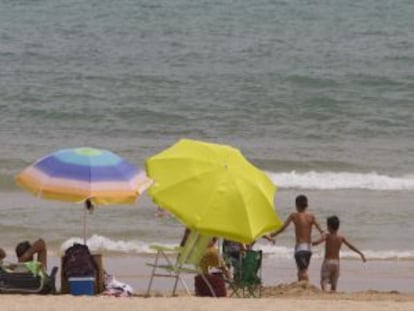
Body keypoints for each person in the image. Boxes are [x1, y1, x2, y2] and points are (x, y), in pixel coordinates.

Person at [270, 194, 324, 282]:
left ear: (296, 205)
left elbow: (283, 228)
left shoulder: (294, 216)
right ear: (306, 205)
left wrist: (272, 234)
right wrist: (318, 241)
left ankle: (306, 286)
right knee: (302, 269)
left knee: (302, 271)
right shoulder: (312, 217)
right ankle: (302, 286)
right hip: (309, 248)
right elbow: (322, 232)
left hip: (300, 248)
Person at [312, 216, 366, 292]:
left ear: (329, 227)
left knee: (324, 281)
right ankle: (333, 293)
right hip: (336, 263)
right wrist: (361, 254)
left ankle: (324, 294)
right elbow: (351, 246)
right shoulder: (341, 237)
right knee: (334, 284)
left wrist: (309, 242)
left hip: (327, 262)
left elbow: (316, 242)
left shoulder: (326, 236)